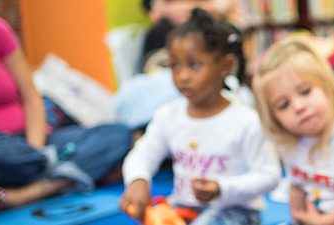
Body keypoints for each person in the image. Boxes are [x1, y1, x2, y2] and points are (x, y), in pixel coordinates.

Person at [119, 9, 280, 225]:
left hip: (235, 210)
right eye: (175, 66)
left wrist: (222, 188)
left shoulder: (245, 120)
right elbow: (143, 153)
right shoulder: (169, 115)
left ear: (226, 65)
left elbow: (269, 175)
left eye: (194, 65)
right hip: (184, 207)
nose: (183, 76)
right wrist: (138, 180)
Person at [0, 13, 131, 213]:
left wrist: (34, 152)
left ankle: (22, 194)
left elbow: (32, 98)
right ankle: (62, 176)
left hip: (36, 144)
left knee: (117, 134)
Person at [251, 37, 334, 225]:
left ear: (326, 84)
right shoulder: (289, 142)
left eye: (305, 91)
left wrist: (329, 220)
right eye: (283, 105)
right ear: (274, 117)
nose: (299, 106)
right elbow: (297, 185)